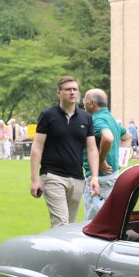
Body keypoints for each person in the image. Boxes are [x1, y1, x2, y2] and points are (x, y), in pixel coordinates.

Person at [30, 75, 99, 227]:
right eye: (68, 89)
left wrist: (94, 177)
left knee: (69, 226)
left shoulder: (86, 118)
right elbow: (37, 147)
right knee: (60, 224)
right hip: (52, 176)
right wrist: (35, 180)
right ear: (59, 93)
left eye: (75, 89)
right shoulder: (48, 115)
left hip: (77, 178)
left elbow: (92, 149)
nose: (72, 92)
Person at [82, 88, 126, 219]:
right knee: (109, 219)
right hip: (111, 176)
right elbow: (127, 137)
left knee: (93, 223)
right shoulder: (110, 118)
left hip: (99, 180)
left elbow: (108, 138)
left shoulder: (97, 119)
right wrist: (120, 158)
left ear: (92, 103)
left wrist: (100, 161)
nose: (83, 102)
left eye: (85, 100)